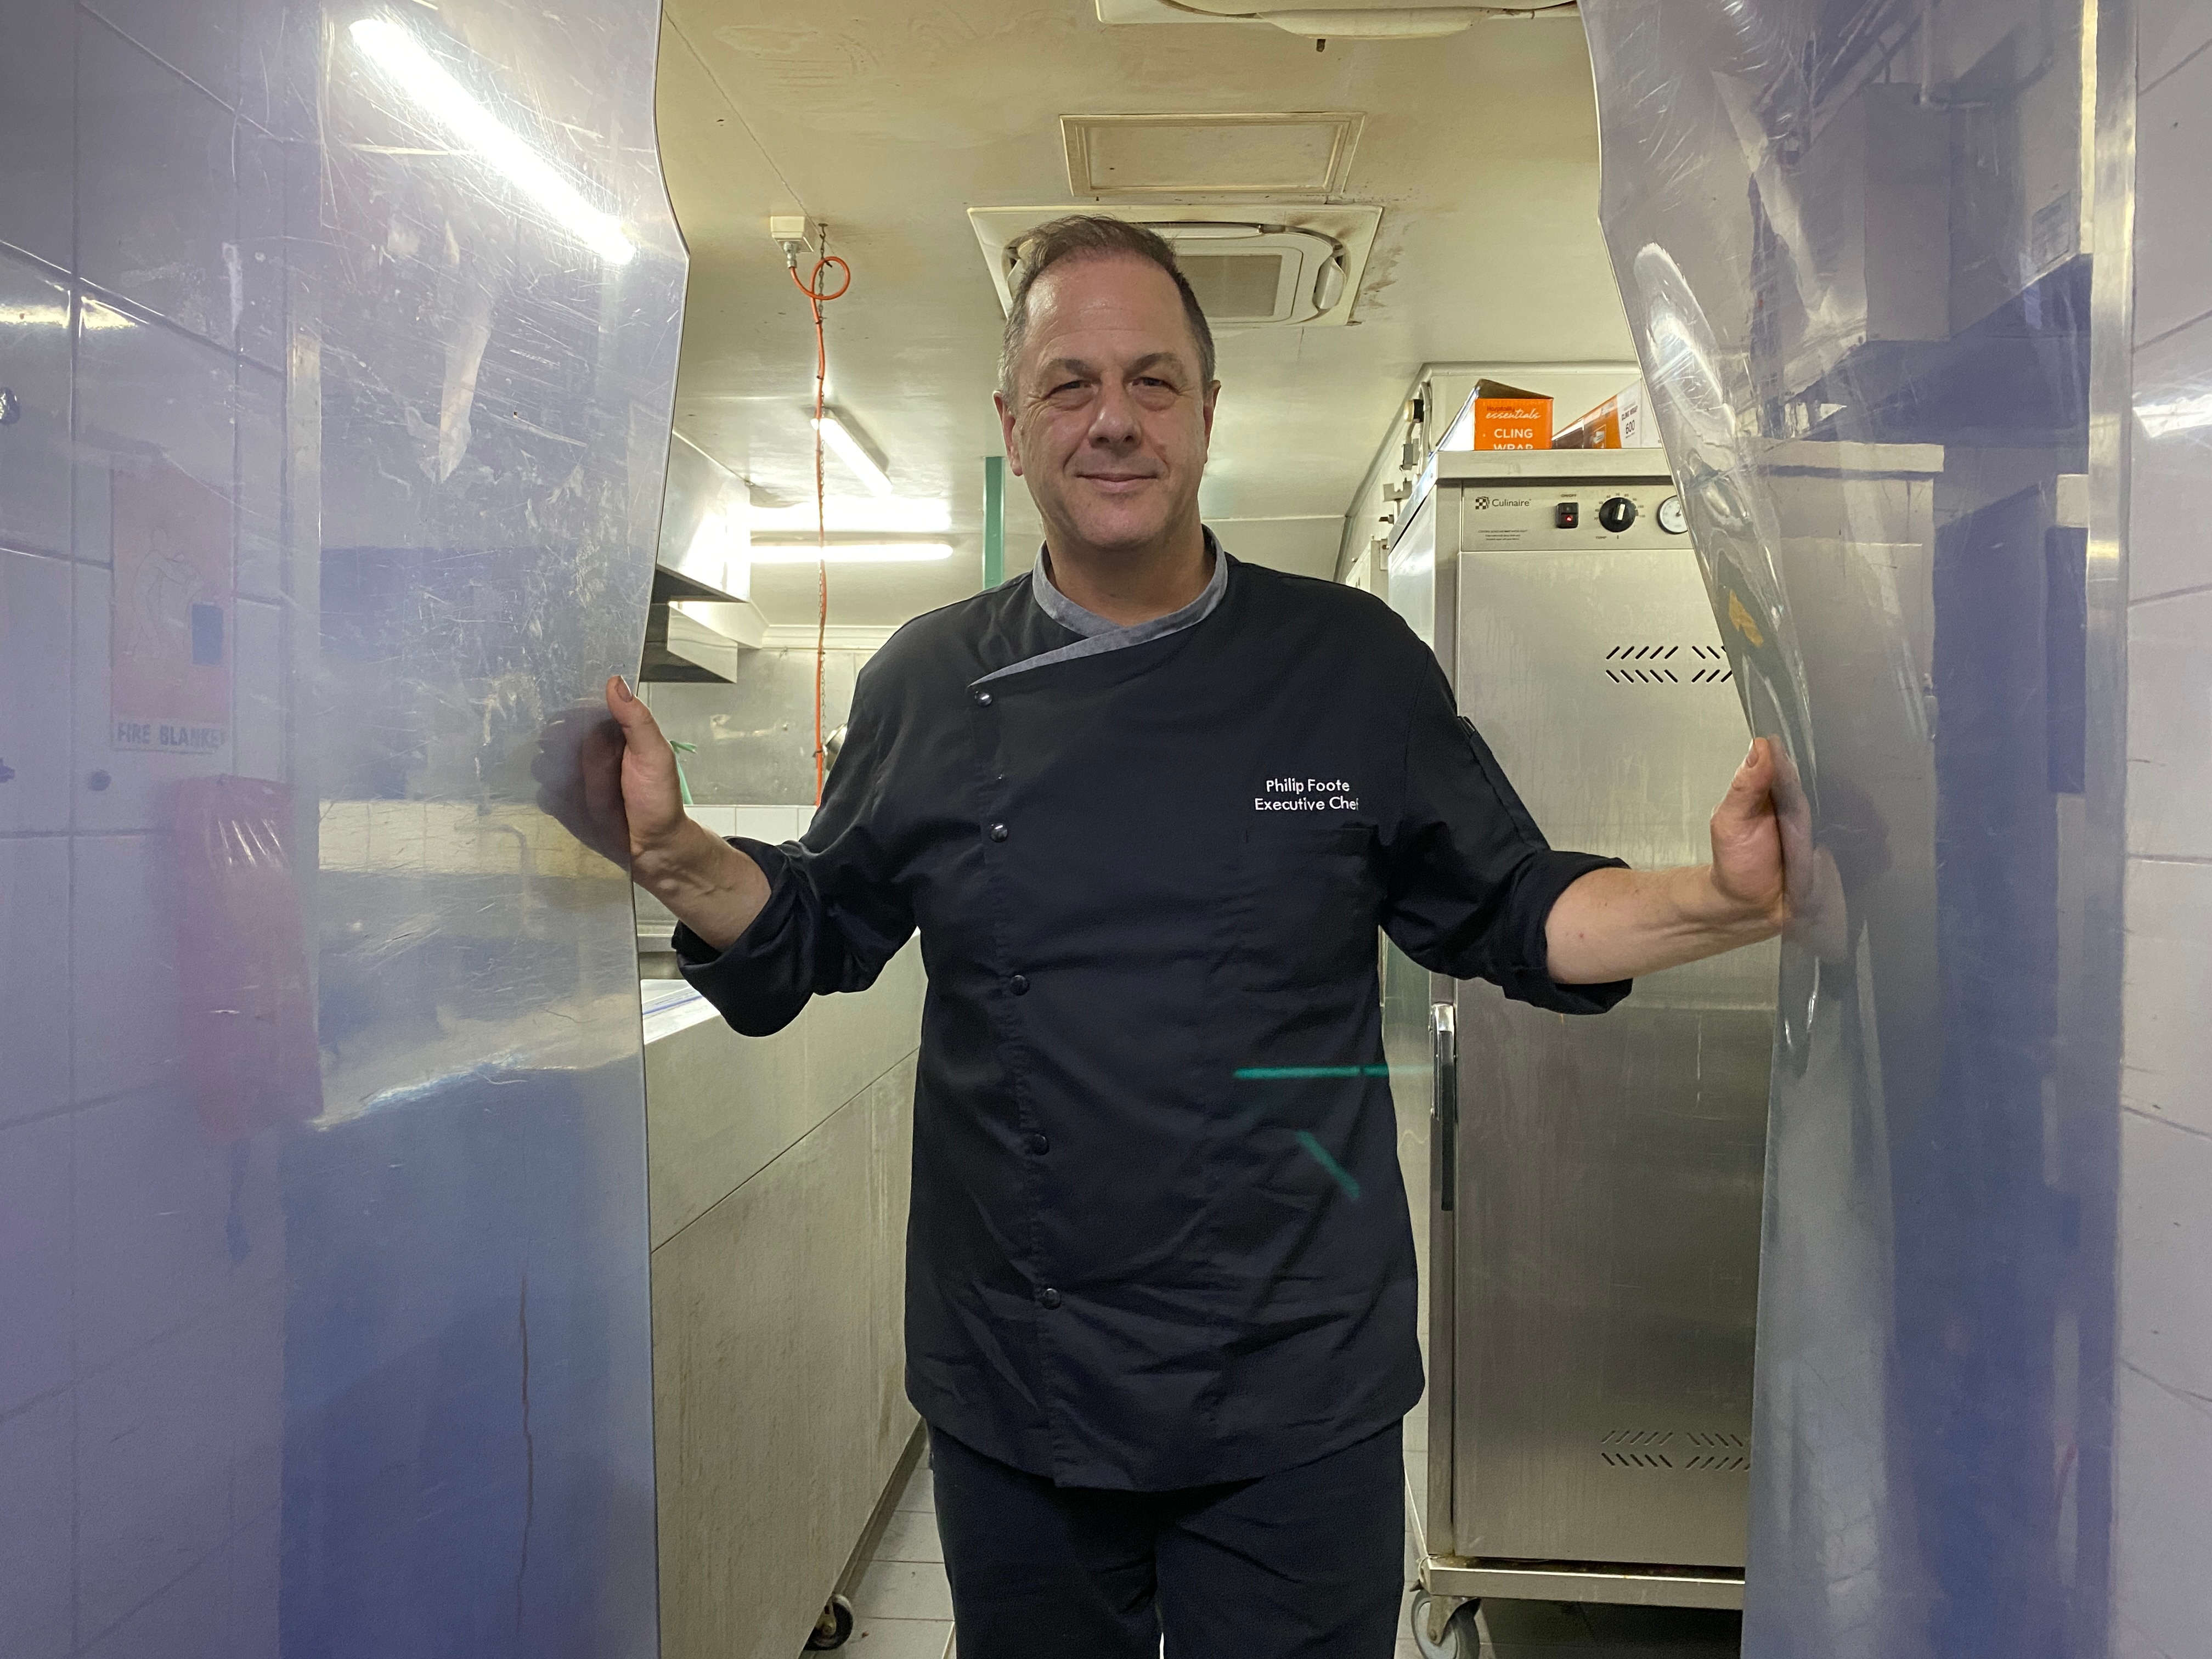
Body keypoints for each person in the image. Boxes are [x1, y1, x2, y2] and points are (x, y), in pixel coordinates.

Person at [587, 216, 1788, 1658]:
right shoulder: (928, 681)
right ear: (1014, 423)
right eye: (1071, 383)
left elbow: (1516, 907)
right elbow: (811, 933)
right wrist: (672, 850)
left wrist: (1725, 900)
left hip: (1298, 1383)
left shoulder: (1349, 663)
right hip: (1021, 1379)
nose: (1114, 420)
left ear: (1209, 412)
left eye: (1152, 381)